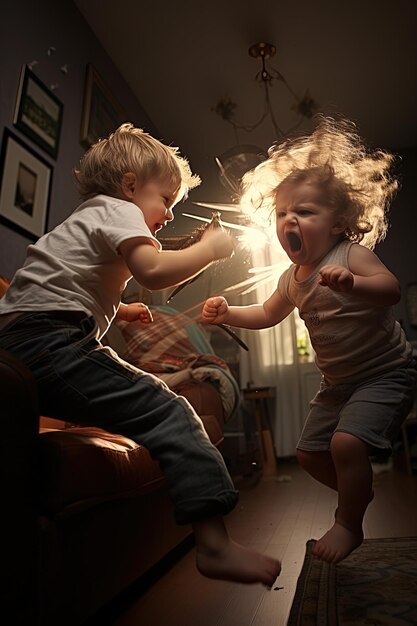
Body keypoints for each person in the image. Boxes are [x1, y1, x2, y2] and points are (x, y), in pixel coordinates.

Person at [0, 123, 281, 587]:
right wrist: (210, 250)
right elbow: (151, 272)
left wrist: (122, 309)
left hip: (17, 345)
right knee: (172, 411)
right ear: (131, 185)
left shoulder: (89, 216)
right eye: (166, 200)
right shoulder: (120, 209)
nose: (169, 214)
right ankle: (213, 544)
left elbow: (65, 281)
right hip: (51, 340)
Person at [202, 116, 417, 564]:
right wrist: (229, 315)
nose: (289, 220)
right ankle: (358, 492)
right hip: (337, 384)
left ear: (339, 223)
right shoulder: (291, 278)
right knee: (307, 454)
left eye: (304, 212)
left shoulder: (350, 254)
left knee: (344, 445)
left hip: (385, 372)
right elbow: (266, 313)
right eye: (282, 213)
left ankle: (348, 522)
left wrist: (353, 284)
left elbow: (391, 290)